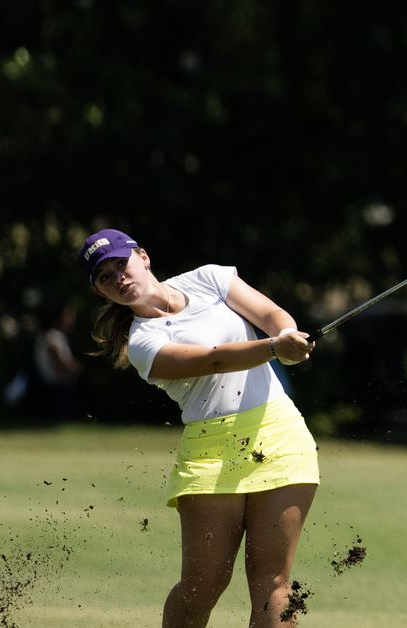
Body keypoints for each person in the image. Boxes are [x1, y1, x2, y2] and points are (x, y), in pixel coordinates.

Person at [78, 228, 318, 627]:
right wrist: (275, 349)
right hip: (211, 451)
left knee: (273, 583)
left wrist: (286, 334)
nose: (118, 277)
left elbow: (271, 315)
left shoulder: (209, 278)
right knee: (202, 585)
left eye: (121, 264)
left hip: (279, 432)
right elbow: (213, 360)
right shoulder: (143, 343)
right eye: (105, 277)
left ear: (143, 257)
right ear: (101, 292)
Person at [31, 301, 82, 421]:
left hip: (54, 388)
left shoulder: (52, 336)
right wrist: (75, 369)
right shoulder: (53, 337)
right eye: (68, 316)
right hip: (54, 390)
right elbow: (60, 363)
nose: (71, 320)